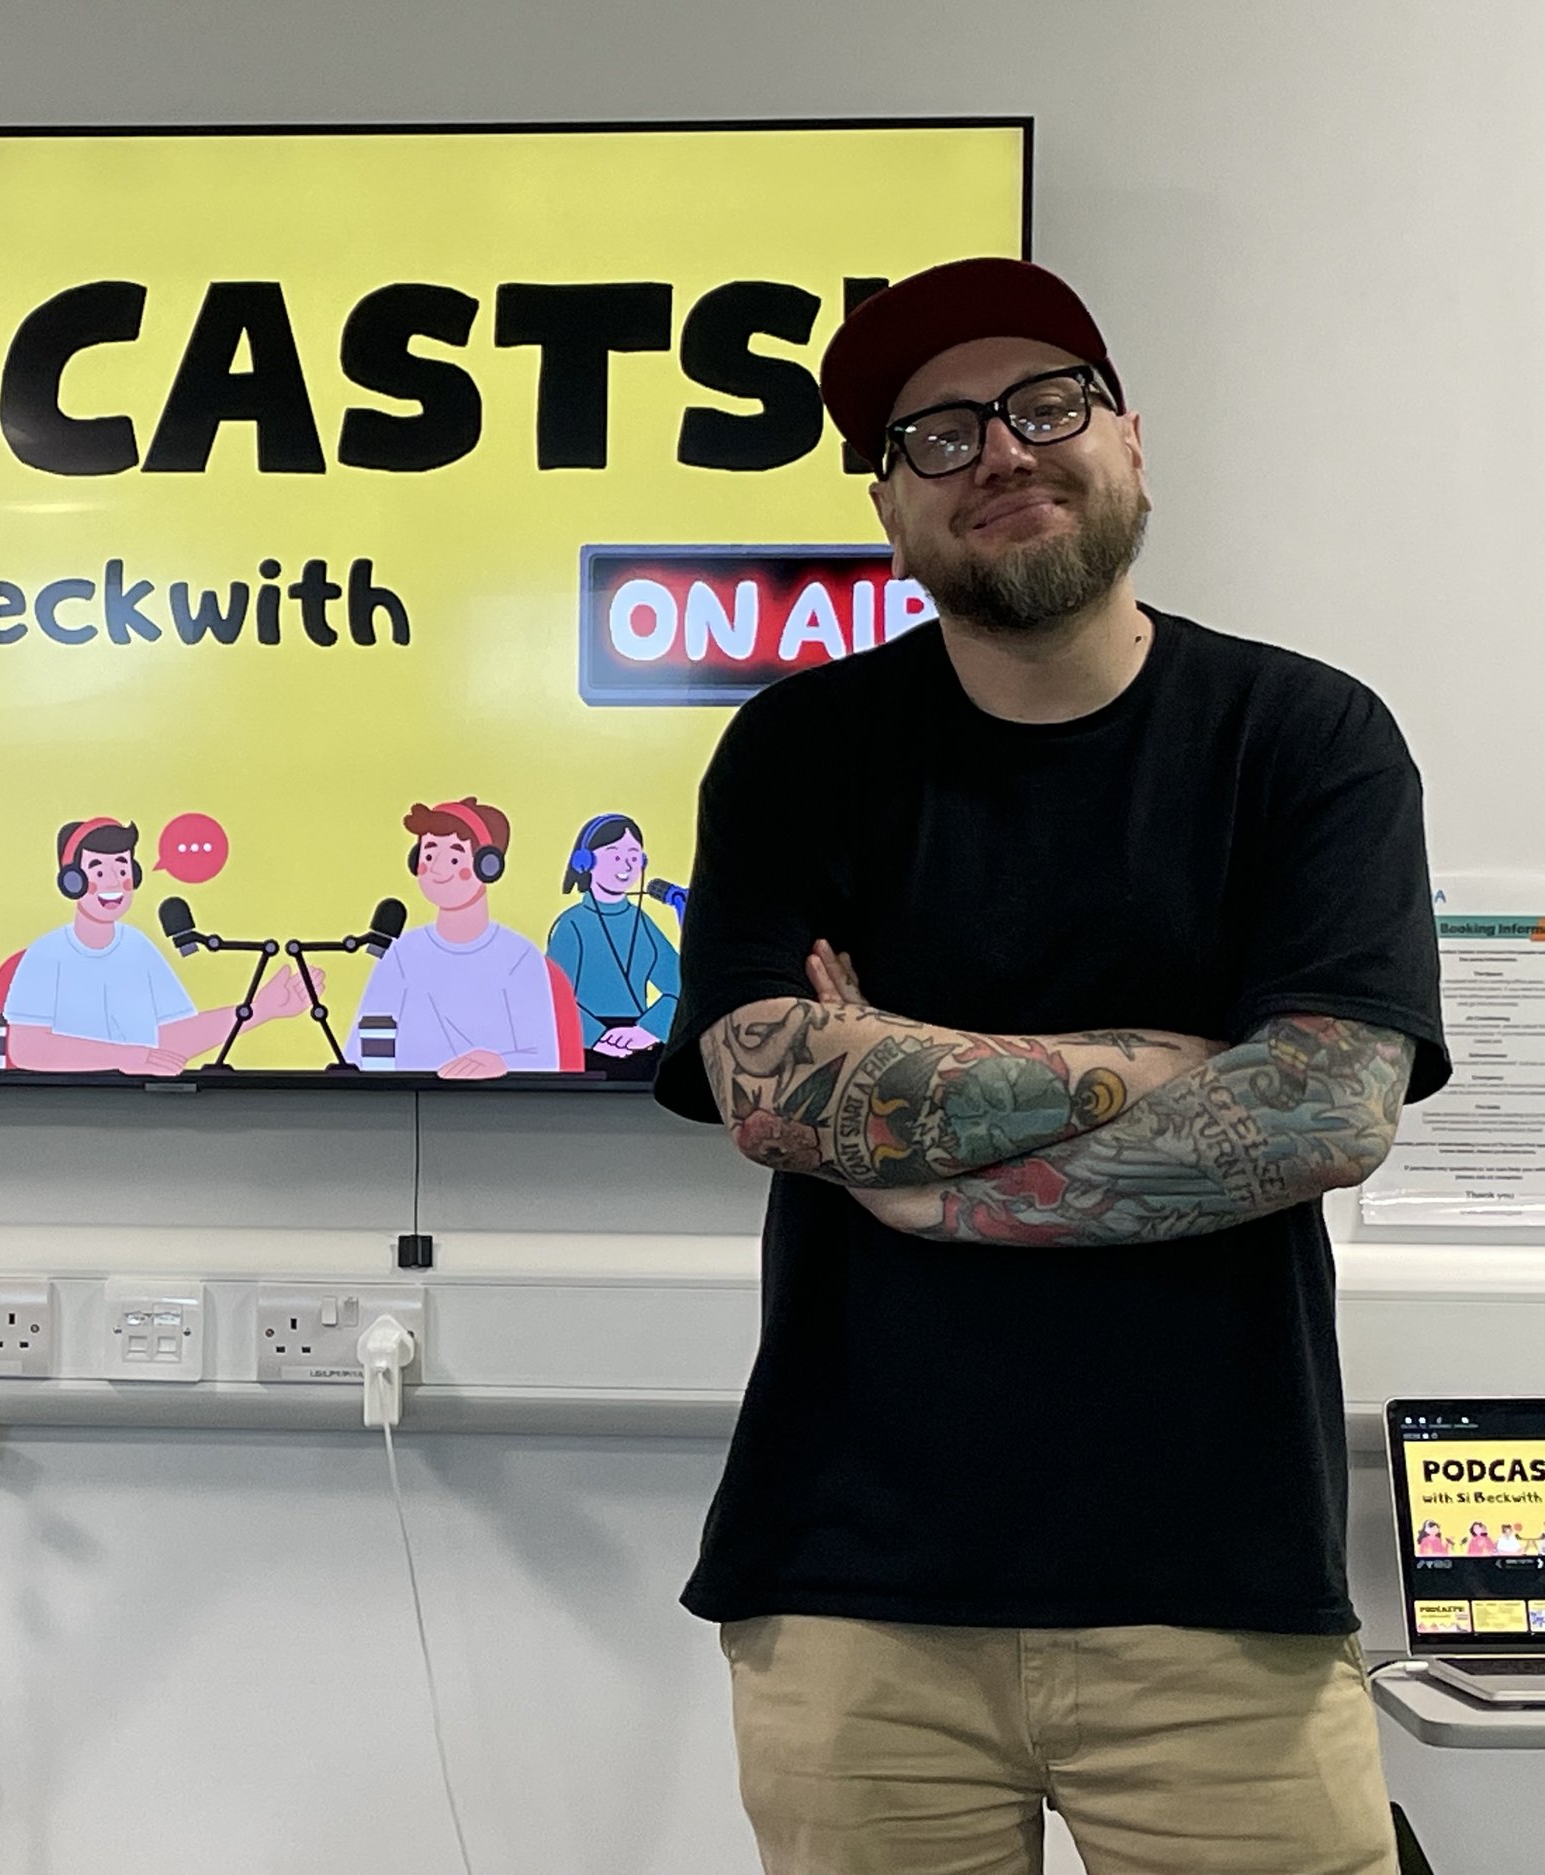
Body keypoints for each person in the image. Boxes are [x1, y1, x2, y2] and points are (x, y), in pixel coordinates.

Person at [653, 258, 1449, 1875]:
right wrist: (1175, 1066)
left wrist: (919, 1164)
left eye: (1042, 405)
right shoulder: (801, 755)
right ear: (890, 505)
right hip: (849, 1591)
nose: (999, 454)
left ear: (1131, 440)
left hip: (1218, 1590)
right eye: (934, 435)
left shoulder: (1304, 741)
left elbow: (1328, 1104)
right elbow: (767, 1083)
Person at [2, 817, 309, 1074]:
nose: (113, 882)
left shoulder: (139, 948)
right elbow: (27, 1049)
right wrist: (124, 1058)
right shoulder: (46, 954)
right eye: (98, 870)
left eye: (122, 869)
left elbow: (170, 1041)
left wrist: (259, 1010)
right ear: (72, 881)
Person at [349, 798, 558, 1078]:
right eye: (429, 856)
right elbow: (363, 1051)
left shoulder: (520, 957)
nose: (437, 869)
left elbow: (546, 1058)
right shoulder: (401, 954)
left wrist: (501, 1064)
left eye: (455, 858)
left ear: (488, 866)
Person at [545, 812, 680, 1076]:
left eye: (633, 856)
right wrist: (597, 1038)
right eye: (615, 855)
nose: (626, 865)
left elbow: (680, 984)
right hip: (586, 1050)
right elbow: (554, 998)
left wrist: (648, 1031)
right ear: (585, 862)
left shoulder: (642, 922)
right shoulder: (571, 924)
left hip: (640, 1044)